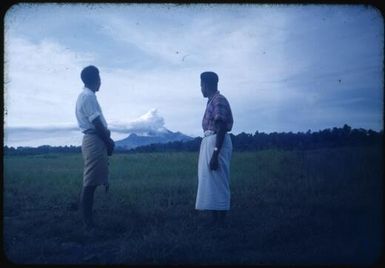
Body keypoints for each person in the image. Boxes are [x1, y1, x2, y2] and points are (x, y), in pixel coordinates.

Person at [75, 65, 115, 230]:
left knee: (91, 180)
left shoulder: (86, 96)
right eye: (100, 78)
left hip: (94, 139)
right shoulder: (88, 96)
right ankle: (87, 223)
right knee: (90, 182)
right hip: (95, 139)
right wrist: (108, 142)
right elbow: (96, 122)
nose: (101, 82)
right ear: (95, 79)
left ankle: (87, 219)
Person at [195, 71, 234, 227]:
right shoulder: (212, 101)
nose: (200, 89)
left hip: (217, 143)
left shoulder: (219, 100)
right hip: (210, 142)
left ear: (205, 85)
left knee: (218, 180)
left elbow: (222, 127)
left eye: (200, 85)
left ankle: (221, 221)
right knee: (211, 181)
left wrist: (215, 154)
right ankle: (215, 219)